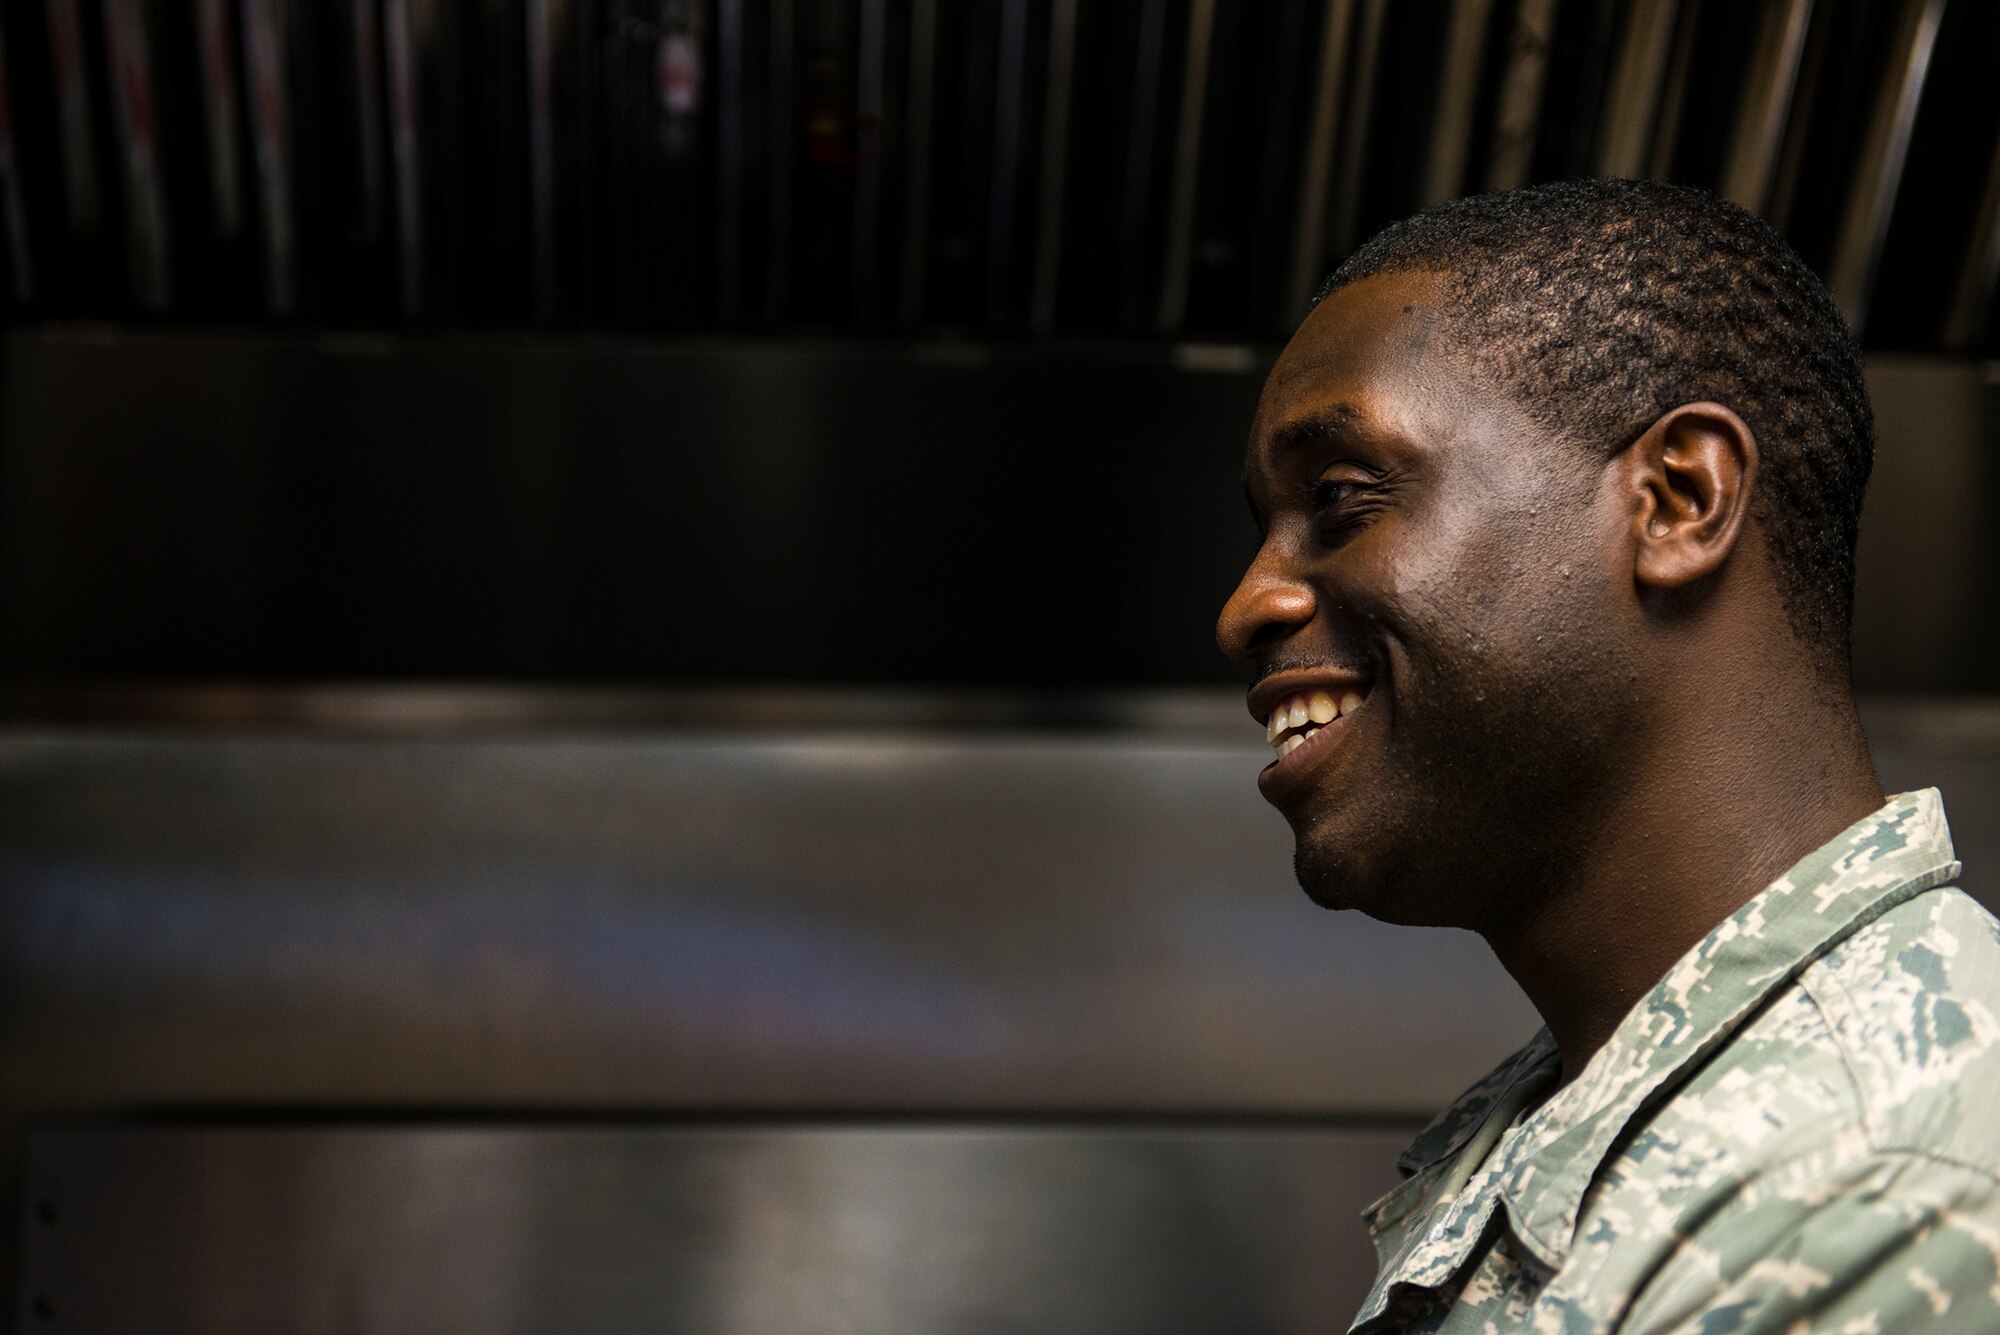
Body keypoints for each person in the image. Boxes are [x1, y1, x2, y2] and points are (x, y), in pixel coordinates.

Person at [1216, 177, 2000, 1333]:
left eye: (1339, 497)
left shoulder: (1882, 1181)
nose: (1245, 607)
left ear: (1675, 499)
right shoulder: (1602, 1129)